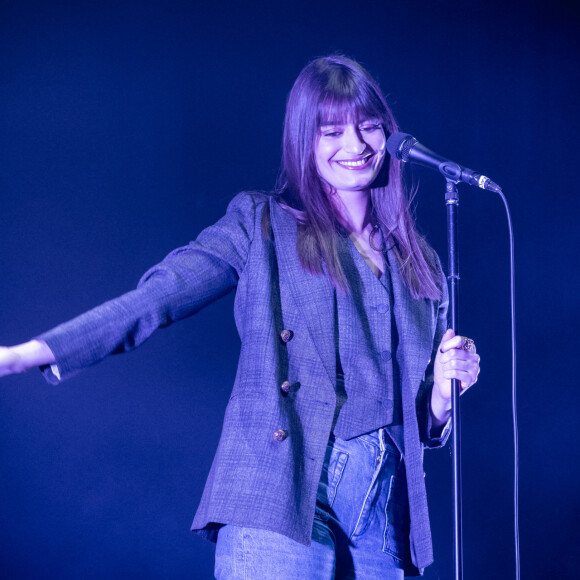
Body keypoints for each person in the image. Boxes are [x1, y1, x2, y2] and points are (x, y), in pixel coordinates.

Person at [0, 55, 480, 579]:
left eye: (368, 127)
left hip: (384, 507)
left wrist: (440, 397)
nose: (356, 145)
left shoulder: (420, 262)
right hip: (286, 486)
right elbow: (161, 296)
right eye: (332, 131)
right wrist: (28, 354)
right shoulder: (263, 224)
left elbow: (421, 417)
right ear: (305, 142)